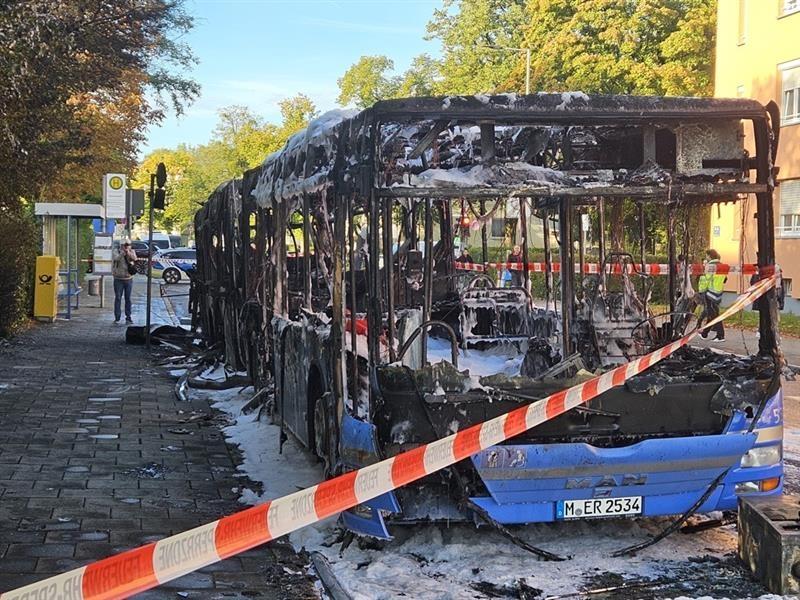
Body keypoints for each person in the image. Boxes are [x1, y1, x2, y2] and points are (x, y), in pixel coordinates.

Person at [698, 248, 726, 341]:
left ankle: (720, 335)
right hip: (718, 293)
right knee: (713, 313)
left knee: (714, 315)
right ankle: (705, 333)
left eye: (706, 255)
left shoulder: (710, 266)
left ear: (709, 256)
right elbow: (725, 279)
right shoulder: (722, 266)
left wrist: (701, 290)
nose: (706, 257)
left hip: (710, 293)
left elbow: (706, 279)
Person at [112, 239, 137, 324]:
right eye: (125, 245)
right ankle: (117, 317)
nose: (126, 246)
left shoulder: (131, 251)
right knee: (118, 298)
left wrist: (128, 252)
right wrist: (122, 253)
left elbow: (135, 258)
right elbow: (116, 258)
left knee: (128, 298)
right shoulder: (116, 251)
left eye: (128, 245)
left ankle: (128, 317)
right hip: (118, 279)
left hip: (128, 279)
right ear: (121, 245)